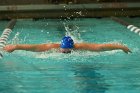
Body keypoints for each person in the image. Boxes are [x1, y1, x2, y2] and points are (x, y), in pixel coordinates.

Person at [3, 36, 131, 54]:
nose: (64, 53)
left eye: (67, 50)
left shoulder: (80, 46)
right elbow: (35, 47)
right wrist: (16, 47)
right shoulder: (52, 46)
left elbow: (101, 47)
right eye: (63, 50)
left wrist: (120, 46)